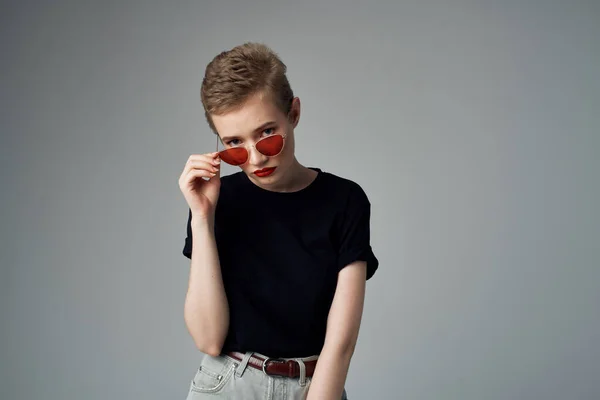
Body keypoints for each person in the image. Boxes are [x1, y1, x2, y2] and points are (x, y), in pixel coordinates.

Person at [178, 42, 379, 400]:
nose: (255, 158)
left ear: (294, 113)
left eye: (267, 134)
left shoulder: (345, 202)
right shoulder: (216, 201)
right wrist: (201, 217)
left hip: (315, 387)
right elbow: (208, 338)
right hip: (227, 387)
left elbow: (340, 344)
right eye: (234, 145)